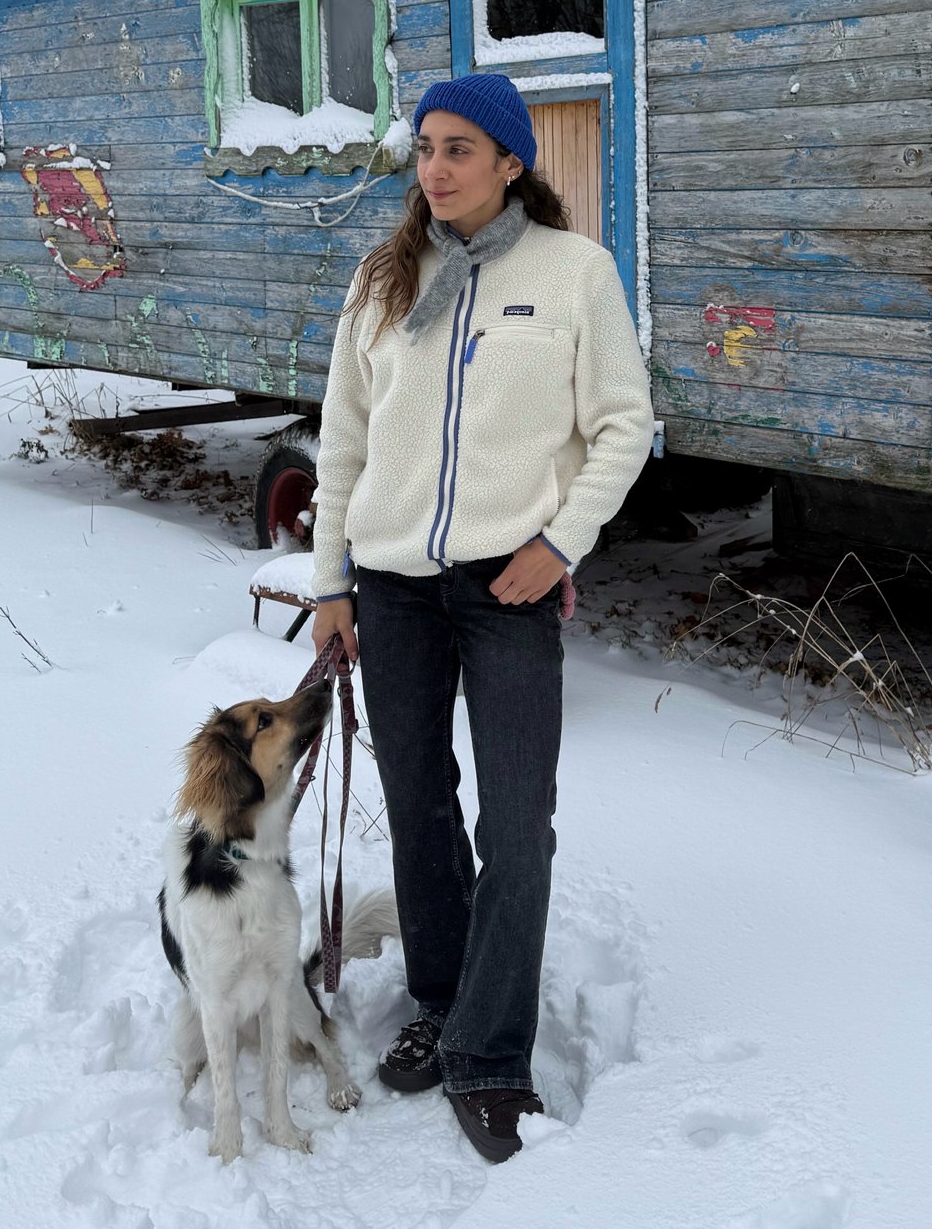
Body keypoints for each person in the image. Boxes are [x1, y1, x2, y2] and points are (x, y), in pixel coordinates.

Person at [310, 73, 653, 1163]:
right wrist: (330, 582)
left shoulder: (572, 274)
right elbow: (343, 445)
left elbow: (622, 426)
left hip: (510, 586)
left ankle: (492, 1052)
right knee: (417, 804)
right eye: (425, 148)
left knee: (515, 823)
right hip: (394, 589)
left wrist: (558, 544)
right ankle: (441, 1001)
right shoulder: (383, 282)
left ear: (512, 161)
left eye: (461, 148)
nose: (436, 168)